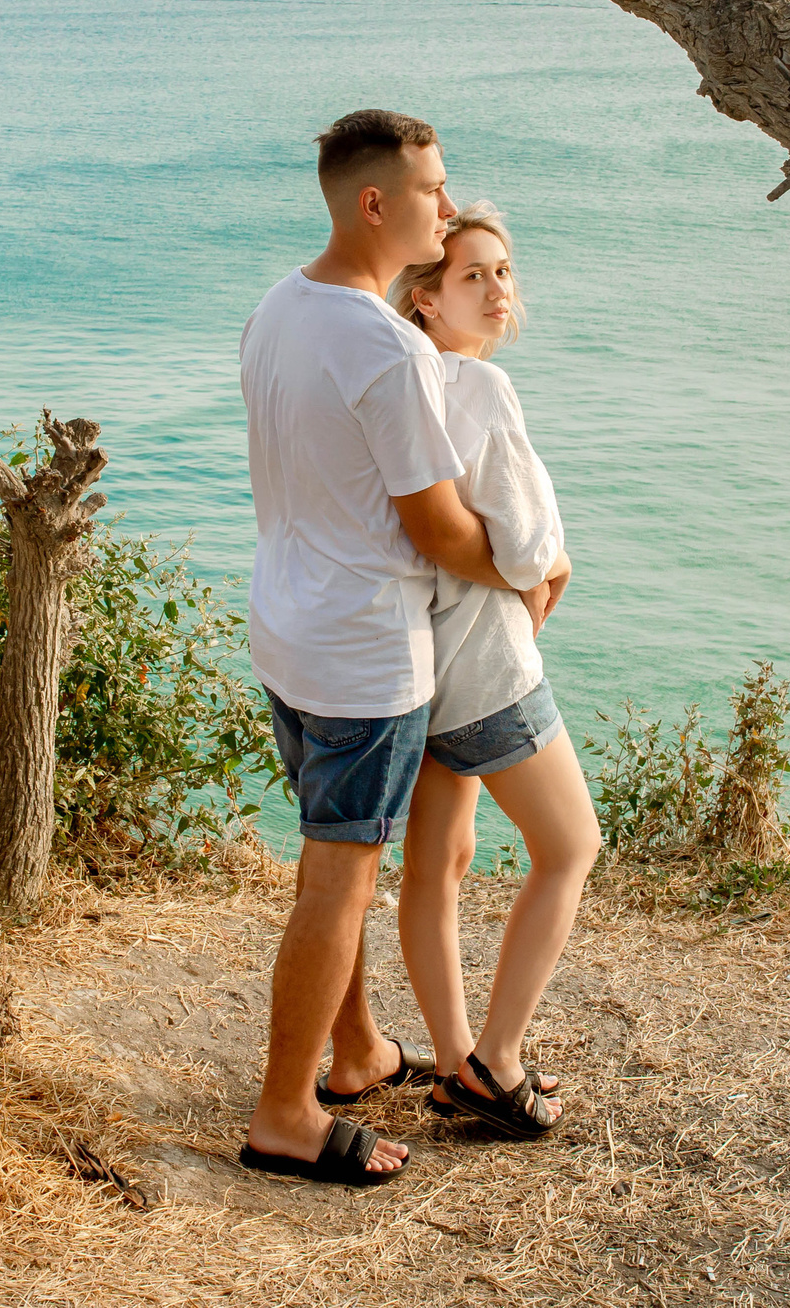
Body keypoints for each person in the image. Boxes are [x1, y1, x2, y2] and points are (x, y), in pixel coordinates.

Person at [235, 109, 550, 1187]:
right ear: (375, 204)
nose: (448, 207)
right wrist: (528, 570)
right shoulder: (382, 348)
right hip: (363, 652)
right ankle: (285, 1113)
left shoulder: (282, 305)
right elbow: (438, 529)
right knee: (339, 878)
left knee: (341, 859)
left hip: (285, 624)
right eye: (432, 192)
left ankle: (357, 1050)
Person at [387, 203, 598, 1141]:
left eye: (503, 271)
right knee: (569, 846)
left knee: (438, 864)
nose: (497, 288)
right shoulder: (482, 389)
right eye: (472, 274)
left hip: (414, 667)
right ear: (426, 298)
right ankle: (496, 1058)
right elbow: (525, 546)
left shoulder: (400, 382)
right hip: (487, 667)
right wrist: (555, 565)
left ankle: (453, 1060)